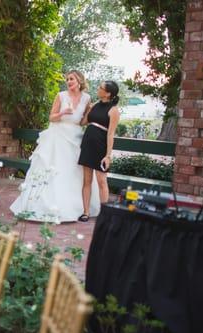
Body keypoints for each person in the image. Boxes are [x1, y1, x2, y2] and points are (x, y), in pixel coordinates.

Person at [10, 71, 100, 223]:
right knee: (55, 170)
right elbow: (51, 117)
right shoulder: (61, 96)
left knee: (74, 172)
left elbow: (82, 122)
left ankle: (78, 208)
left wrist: (90, 114)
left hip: (75, 138)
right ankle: (48, 206)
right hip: (58, 137)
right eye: (67, 79)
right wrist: (63, 112)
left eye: (71, 79)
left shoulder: (87, 98)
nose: (68, 81)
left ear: (79, 80)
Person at [78, 80, 121, 222]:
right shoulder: (95, 105)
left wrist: (108, 156)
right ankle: (86, 212)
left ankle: (105, 215)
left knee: (102, 181)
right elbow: (83, 122)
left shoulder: (113, 110)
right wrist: (87, 109)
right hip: (87, 145)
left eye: (101, 88)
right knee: (87, 181)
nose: (98, 89)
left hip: (100, 147)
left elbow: (110, 134)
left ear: (108, 93)